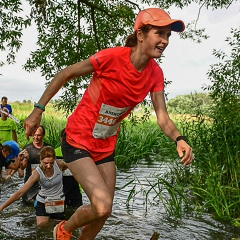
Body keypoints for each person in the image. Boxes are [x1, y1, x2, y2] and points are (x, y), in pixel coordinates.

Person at [24, 8, 194, 240]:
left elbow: (162, 117)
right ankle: (63, 229)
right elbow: (65, 74)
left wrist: (179, 138)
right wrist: (38, 110)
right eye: (159, 33)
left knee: (103, 212)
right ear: (141, 34)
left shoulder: (155, 73)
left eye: (168, 35)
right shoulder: (112, 58)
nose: (164, 41)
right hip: (78, 139)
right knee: (102, 205)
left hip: (105, 144)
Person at [0, 146, 68, 226]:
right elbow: (20, 193)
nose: (49, 166)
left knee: (58, 229)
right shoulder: (37, 173)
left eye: (51, 163)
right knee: (42, 230)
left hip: (58, 201)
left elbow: (74, 169)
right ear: (41, 160)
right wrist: (2, 207)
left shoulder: (60, 164)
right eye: (46, 163)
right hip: (43, 202)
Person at [20, 125, 52, 204]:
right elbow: (22, 167)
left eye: (38, 135)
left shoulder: (48, 148)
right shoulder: (27, 148)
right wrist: (26, 159)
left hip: (45, 184)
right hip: (30, 184)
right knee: (27, 207)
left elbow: (53, 166)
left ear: (43, 135)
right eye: (34, 135)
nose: (36, 137)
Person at [55, 128, 83, 208]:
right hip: (59, 190)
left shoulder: (78, 153)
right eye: (65, 139)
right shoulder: (54, 153)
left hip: (75, 190)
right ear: (61, 139)